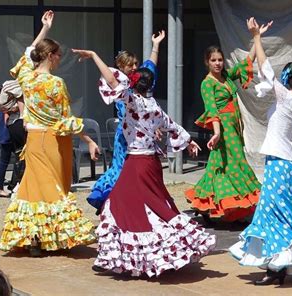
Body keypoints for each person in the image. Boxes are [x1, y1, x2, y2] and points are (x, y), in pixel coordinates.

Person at [72, 48, 216, 277]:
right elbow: (173, 126)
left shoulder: (132, 101)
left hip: (136, 163)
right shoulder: (154, 107)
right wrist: (189, 142)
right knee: (152, 205)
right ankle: (145, 256)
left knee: (121, 206)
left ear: (133, 84)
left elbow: (110, 79)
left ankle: (135, 257)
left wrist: (94, 55)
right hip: (151, 163)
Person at [230, 18, 292, 286]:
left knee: (275, 211)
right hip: (285, 161)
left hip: (279, 162)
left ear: (288, 79)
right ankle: (284, 268)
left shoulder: (286, 96)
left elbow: (264, 68)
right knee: (277, 211)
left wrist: (256, 38)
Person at [0, 10, 98, 255]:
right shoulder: (56, 84)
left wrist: (45, 29)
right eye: (58, 55)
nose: (59, 59)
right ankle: (48, 237)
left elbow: (27, 54)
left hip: (33, 140)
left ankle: (35, 239)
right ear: (51, 56)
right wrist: (88, 139)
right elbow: (65, 119)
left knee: (33, 189)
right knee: (51, 189)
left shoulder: (27, 79)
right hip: (53, 141)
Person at [85, 31, 165, 214]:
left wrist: (156, 45)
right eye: (131, 65)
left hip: (143, 136)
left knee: (142, 172)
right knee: (121, 170)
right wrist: (94, 56)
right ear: (121, 66)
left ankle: (140, 205)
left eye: (136, 63)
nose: (135, 67)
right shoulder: (123, 89)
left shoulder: (139, 83)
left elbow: (150, 66)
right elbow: (111, 79)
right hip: (125, 137)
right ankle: (111, 203)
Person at [184, 41, 262, 222]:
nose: (218, 63)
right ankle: (231, 204)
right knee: (237, 164)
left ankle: (209, 202)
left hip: (234, 128)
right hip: (225, 130)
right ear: (207, 62)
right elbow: (212, 109)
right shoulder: (207, 84)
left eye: (220, 60)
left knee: (219, 166)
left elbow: (247, 62)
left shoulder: (225, 76)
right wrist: (217, 133)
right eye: (214, 60)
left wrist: (256, 37)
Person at [0, 79, 27, 192]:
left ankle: (3, 186)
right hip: (7, 137)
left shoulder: (3, 108)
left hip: (4, 137)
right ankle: (7, 186)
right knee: (17, 159)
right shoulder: (8, 113)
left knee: (7, 161)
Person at [0, 110, 13, 198]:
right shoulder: (9, 110)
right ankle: (0, 188)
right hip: (8, 137)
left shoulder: (2, 110)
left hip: (2, 137)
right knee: (5, 162)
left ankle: (0, 187)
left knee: (3, 163)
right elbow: (7, 121)